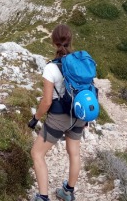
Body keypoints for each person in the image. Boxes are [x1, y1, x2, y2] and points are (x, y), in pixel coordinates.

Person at [28, 24, 87, 201]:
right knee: (74, 152)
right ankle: (68, 192)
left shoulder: (51, 68)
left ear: (54, 43)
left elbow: (46, 102)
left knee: (37, 153)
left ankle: (43, 197)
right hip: (79, 115)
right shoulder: (81, 62)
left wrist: (35, 118)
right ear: (70, 40)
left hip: (59, 117)